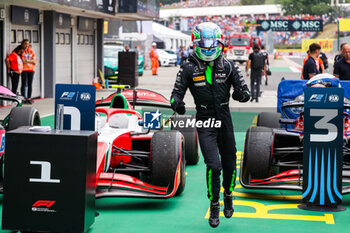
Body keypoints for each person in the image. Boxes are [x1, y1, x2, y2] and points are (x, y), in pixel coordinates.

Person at [170, 22, 250, 228]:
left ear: (219, 42)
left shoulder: (230, 65)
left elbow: (245, 91)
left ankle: (229, 193)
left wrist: (241, 95)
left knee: (230, 162)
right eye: (203, 43)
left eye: (211, 42)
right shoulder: (187, 67)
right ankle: (215, 202)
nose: (208, 46)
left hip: (225, 118)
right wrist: (177, 103)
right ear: (195, 43)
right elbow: (175, 94)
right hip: (205, 119)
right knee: (213, 165)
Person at [21, 39, 36, 104]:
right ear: (23, 44)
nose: (27, 45)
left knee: (30, 84)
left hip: (31, 70)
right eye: (25, 44)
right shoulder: (22, 51)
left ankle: (29, 98)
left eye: (28, 44)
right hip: (24, 70)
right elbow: (23, 60)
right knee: (24, 84)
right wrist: (30, 61)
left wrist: (27, 60)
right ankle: (24, 99)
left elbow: (34, 61)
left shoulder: (31, 51)